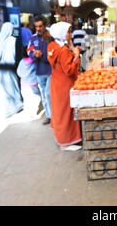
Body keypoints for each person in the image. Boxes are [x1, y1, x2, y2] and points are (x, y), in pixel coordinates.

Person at [47, 22, 82, 151]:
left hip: (56, 84)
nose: (70, 34)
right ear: (62, 33)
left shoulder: (52, 46)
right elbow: (69, 70)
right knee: (67, 114)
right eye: (68, 32)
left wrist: (71, 45)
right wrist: (77, 55)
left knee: (59, 112)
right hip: (66, 85)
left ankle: (60, 138)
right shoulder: (63, 51)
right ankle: (67, 142)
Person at [0, 22, 24, 118]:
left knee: (1, 89)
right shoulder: (13, 40)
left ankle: (4, 109)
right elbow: (19, 56)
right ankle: (15, 106)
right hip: (10, 68)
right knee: (11, 87)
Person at [27, 15, 52, 125]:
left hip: (50, 70)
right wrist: (34, 54)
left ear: (45, 25)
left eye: (40, 26)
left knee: (48, 94)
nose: (38, 29)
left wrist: (42, 55)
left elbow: (54, 53)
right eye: (36, 26)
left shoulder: (51, 37)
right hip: (39, 71)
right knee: (43, 94)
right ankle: (48, 115)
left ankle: (52, 115)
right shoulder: (33, 38)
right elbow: (29, 51)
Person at [17, 46, 41, 120]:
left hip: (24, 83)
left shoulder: (21, 61)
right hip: (33, 83)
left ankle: (29, 113)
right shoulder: (34, 61)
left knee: (27, 99)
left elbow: (18, 72)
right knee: (36, 97)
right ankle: (33, 113)